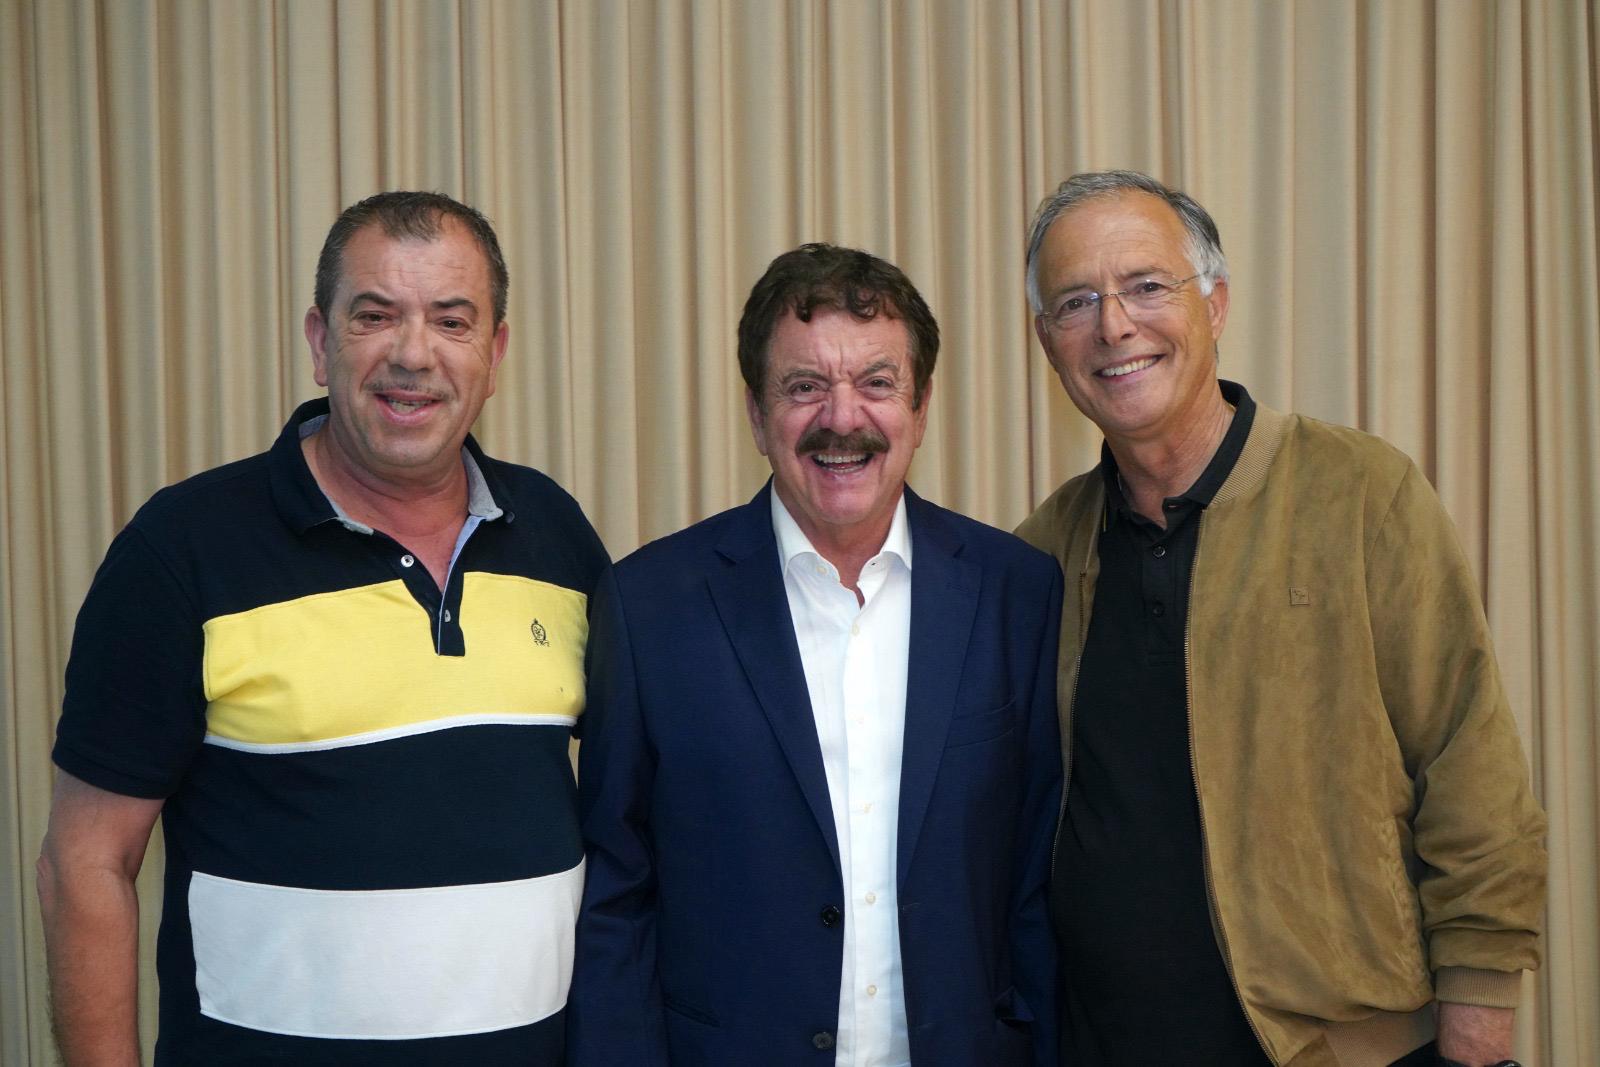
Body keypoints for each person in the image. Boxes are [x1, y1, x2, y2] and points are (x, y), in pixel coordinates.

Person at [36, 191, 608, 1065]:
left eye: (451, 321)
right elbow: (85, 862)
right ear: (319, 341)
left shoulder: (556, 535)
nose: (412, 353)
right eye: (374, 315)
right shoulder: (182, 550)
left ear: (494, 355)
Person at [1015, 170, 1547, 1067]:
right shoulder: (1040, 554)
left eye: (1147, 285)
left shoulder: (1361, 493)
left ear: (1215, 304)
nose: (1113, 325)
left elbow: (1470, 766)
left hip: (1350, 1049)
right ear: (1047, 341)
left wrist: (1479, 1023)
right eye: (1076, 302)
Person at [567, 243, 1062, 1066]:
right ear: (757, 415)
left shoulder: (1016, 592)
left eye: (877, 382)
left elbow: (1035, 886)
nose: (842, 417)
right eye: (804, 387)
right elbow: (617, 895)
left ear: (921, 408)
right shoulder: (648, 605)